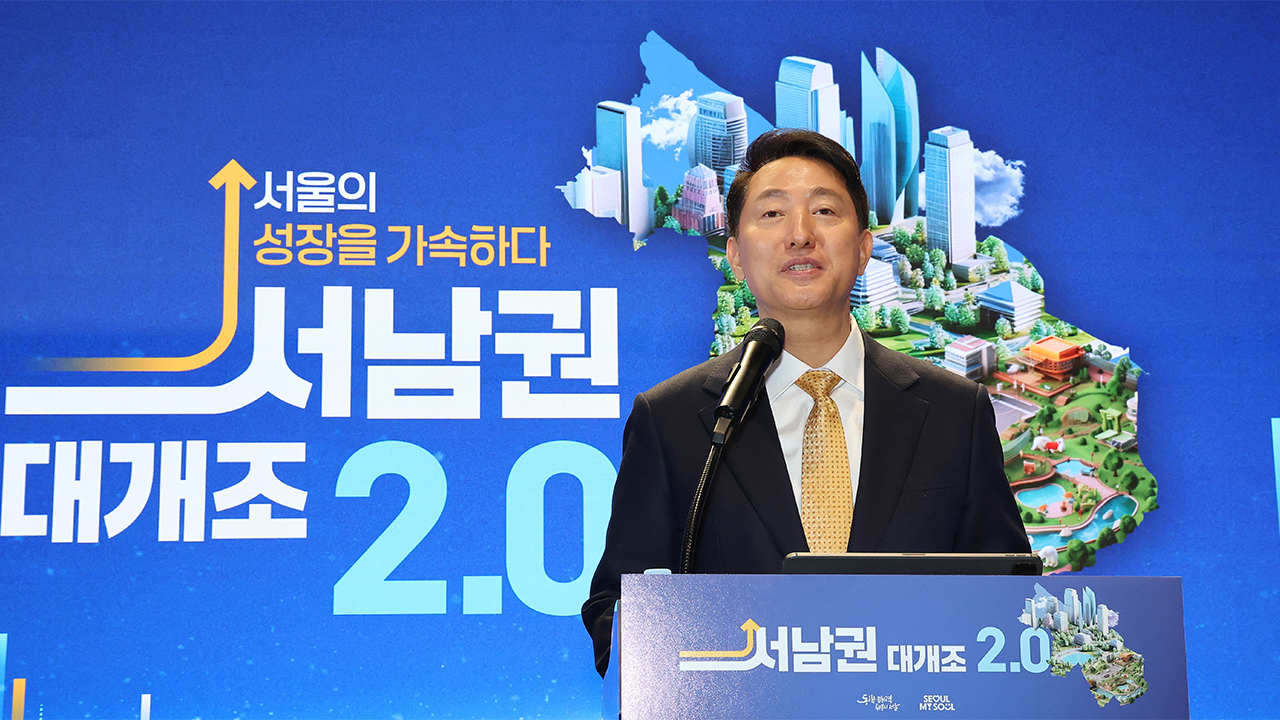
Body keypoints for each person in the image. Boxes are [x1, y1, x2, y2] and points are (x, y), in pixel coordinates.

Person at [582, 129, 1030, 676]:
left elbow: (1010, 602)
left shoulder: (954, 412)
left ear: (863, 249)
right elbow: (615, 609)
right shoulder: (674, 420)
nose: (800, 234)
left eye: (824, 211)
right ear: (735, 256)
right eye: (772, 214)